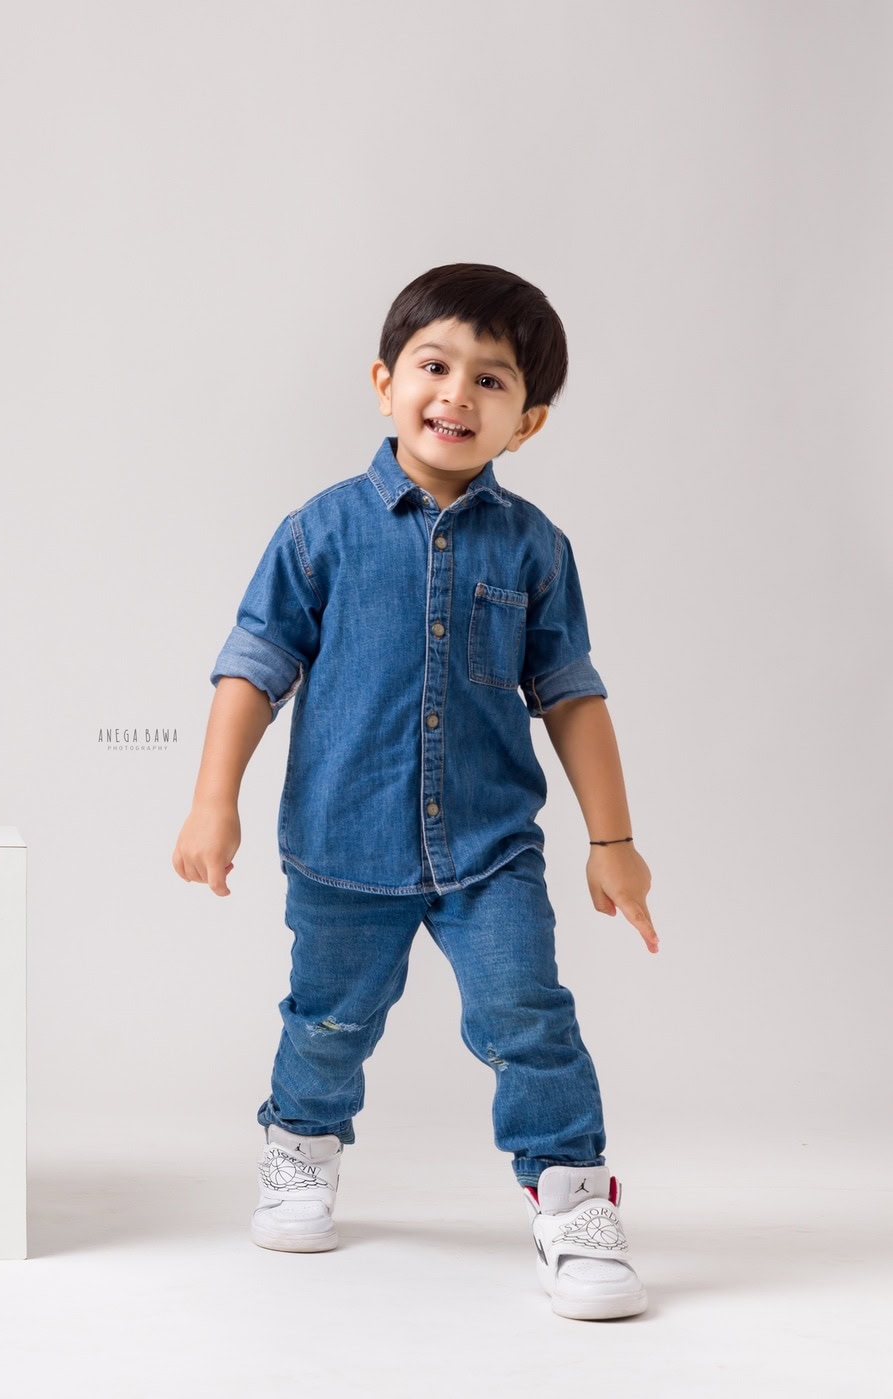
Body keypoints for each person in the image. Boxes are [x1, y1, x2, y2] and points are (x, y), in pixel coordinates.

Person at [172, 262, 660, 1322]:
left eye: (491, 382)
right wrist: (216, 801)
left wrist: (611, 839)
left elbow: (572, 697)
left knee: (529, 1014)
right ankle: (301, 1143)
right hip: (344, 845)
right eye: (436, 366)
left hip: (490, 851)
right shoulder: (320, 531)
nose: (456, 394)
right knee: (330, 1019)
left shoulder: (535, 549)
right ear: (385, 379)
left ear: (525, 424)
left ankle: (573, 1197)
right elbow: (252, 666)